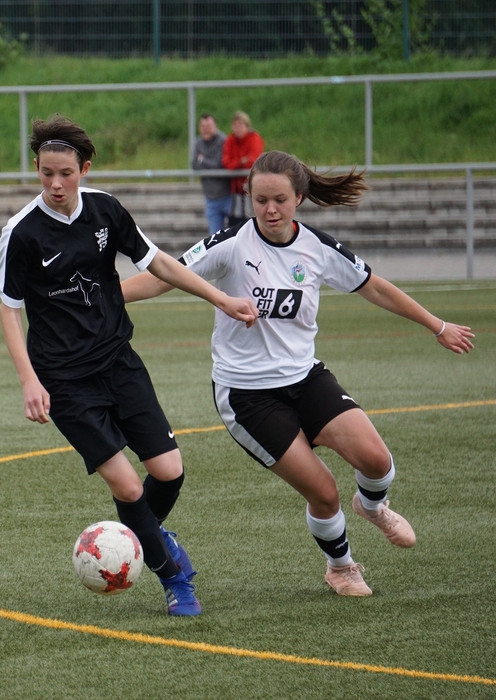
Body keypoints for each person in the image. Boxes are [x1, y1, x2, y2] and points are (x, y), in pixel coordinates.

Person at [121, 150, 475, 597]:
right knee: (324, 492)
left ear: (299, 199)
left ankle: (372, 506)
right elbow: (162, 275)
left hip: (305, 379)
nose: (270, 209)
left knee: (378, 462)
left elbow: (377, 287)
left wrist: (437, 325)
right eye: (261, 199)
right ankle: (341, 567)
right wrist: (102, 295)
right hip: (247, 395)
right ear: (248, 196)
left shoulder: (318, 248)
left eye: (281, 200)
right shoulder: (229, 245)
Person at [0, 115, 259, 616]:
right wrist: (29, 379)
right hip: (65, 382)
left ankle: (147, 536)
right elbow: (9, 309)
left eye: (65, 173)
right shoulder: (21, 232)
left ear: (84, 169)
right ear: (37, 169)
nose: (54, 184)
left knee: (170, 471)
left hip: (119, 362)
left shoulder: (106, 211)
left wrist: (220, 299)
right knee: (129, 485)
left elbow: (158, 262)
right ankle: (173, 575)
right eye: (45, 172)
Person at [192, 113, 233, 235]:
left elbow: (220, 164)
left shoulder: (223, 140)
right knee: (214, 238)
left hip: (228, 196)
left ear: (216, 126)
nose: (205, 129)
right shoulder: (198, 143)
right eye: (203, 126)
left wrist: (203, 160)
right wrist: (207, 162)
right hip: (210, 198)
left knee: (233, 235)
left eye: (208, 126)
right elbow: (194, 165)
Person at [221, 110, 264, 227]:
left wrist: (237, 163)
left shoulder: (254, 138)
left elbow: (253, 160)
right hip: (235, 190)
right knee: (235, 220)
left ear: (247, 125)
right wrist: (241, 161)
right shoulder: (230, 140)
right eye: (235, 125)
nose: (237, 128)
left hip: (251, 187)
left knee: (251, 218)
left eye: (240, 125)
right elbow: (226, 163)